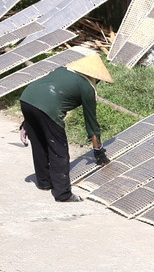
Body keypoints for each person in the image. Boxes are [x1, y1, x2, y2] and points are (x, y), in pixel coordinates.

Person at [19, 52, 112, 203]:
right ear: (94, 76)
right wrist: (98, 151)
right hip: (48, 108)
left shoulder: (62, 70)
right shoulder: (87, 87)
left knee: (39, 144)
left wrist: (28, 122)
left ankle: (44, 182)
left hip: (26, 98)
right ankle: (63, 194)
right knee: (59, 151)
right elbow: (91, 123)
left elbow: (42, 93)